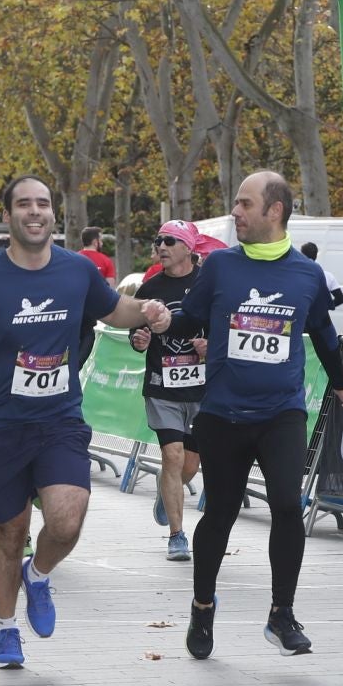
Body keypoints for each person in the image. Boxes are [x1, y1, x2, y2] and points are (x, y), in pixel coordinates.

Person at [0, 176, 172, 671]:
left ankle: (41, 572)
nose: (36, 212)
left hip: (58, 419)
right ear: (7, 216)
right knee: (9, 532)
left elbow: (116, 309)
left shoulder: (75, 271)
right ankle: (6, 630)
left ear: (54, 214)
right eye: (24, 205)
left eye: (44, 204)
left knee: (66, 520)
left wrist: (149, 311)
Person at [163, 173, 343, 660]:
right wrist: (160, 323)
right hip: (224, 412)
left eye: (244, 204)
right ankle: (203, 606)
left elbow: (324, 336)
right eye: (236, 203)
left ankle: (281, 615)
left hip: (281, 412)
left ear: (274, 211)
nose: (236, 212)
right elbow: (190, 317)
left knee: (288, 506)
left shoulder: (307, 275)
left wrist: (342, 386)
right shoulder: (221, 268)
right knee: (222, 514)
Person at [129, 221, 208, 562]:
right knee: (172, 456)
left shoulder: (207, 284)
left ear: (189, 248)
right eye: (158, 239)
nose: (161, 246)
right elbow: (135, 333)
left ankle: (166, 491)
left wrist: (212, 347)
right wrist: (139, 339)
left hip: (203, 387)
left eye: (170, 241)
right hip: (163, 385)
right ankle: (177, 535)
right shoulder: (149, 287)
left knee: (190, 463)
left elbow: (225, 325)